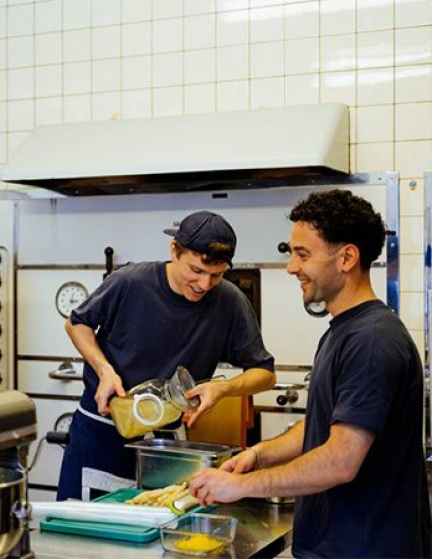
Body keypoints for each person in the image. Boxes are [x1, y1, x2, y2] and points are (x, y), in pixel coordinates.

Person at [189, 189, 432, 557]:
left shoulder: (371, 341)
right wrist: (259, 454)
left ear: (347, 257)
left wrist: (241, 486)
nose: (291, 267)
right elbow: (323, 424)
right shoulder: (342, 331)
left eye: (303, 254)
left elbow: (340, 460)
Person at [56, 210, 276, 500]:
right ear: (174, 250)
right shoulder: (130, 282)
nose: (204, 284)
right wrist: (104, 370)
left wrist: (222, 389)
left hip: (166, 445)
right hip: (102, 433)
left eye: (216, 275)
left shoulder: (230, 301)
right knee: (84, 533)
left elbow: (265, 374)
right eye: (196, 271)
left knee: (161, 522)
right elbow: (76, 323)